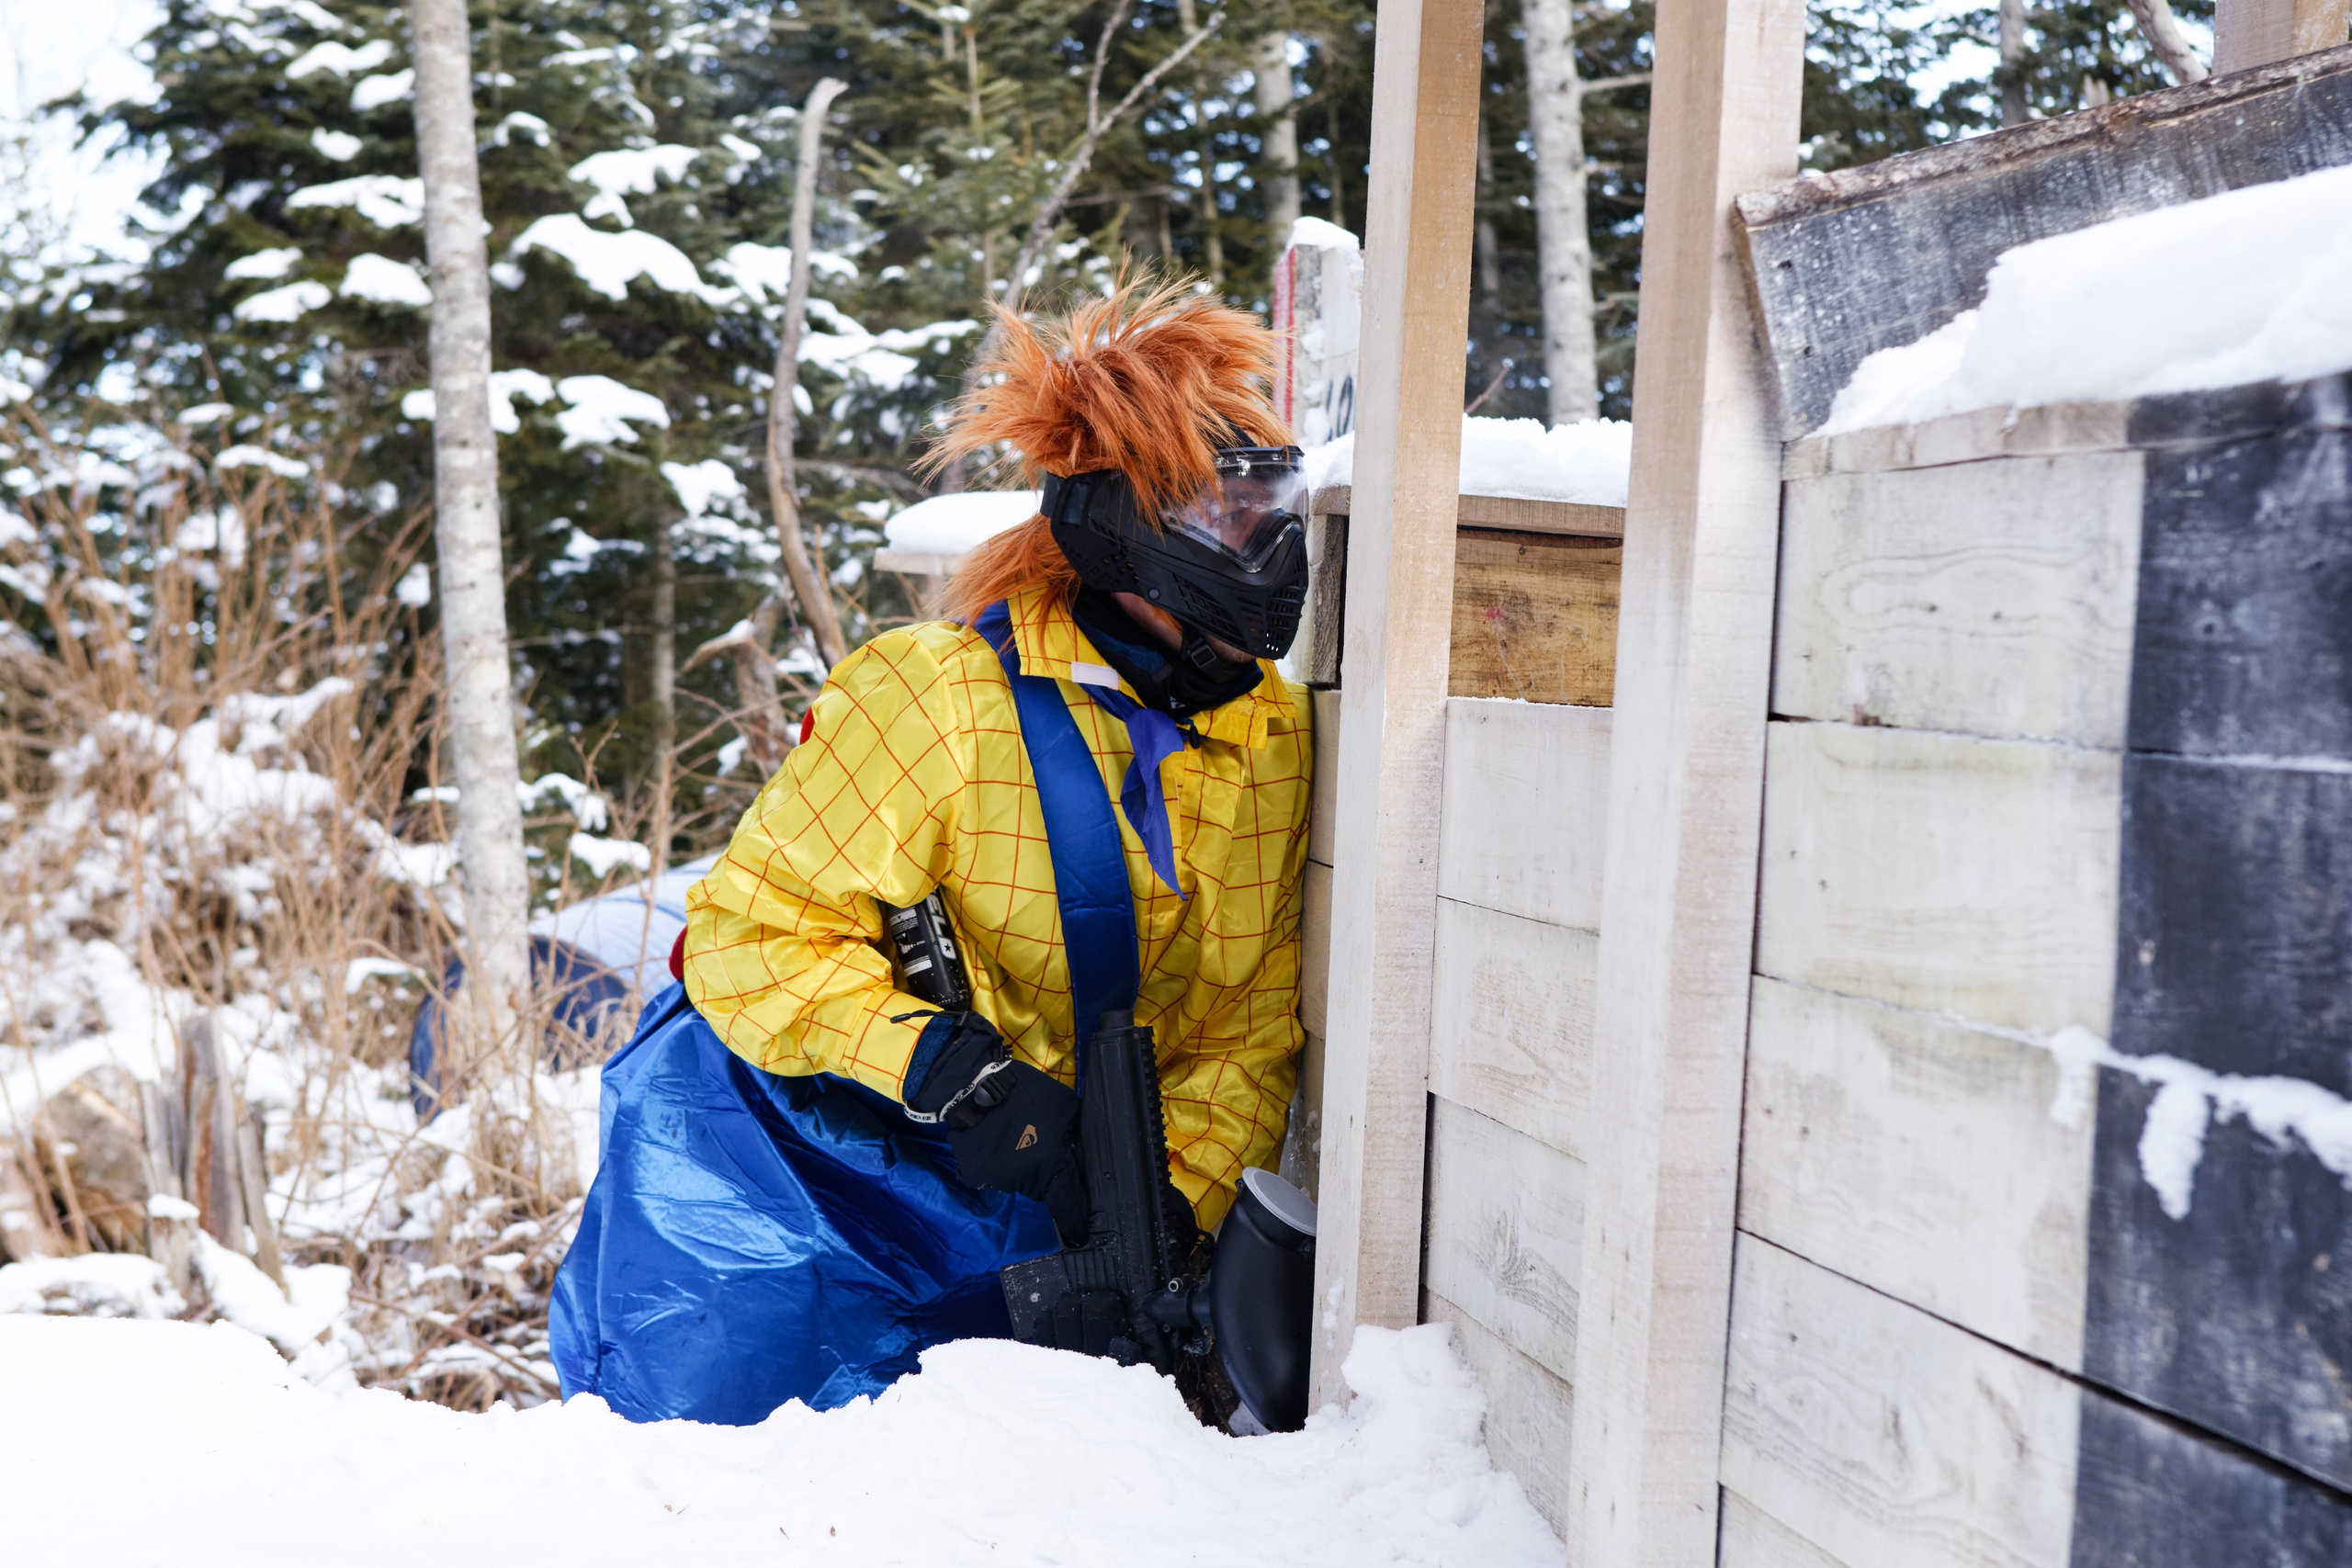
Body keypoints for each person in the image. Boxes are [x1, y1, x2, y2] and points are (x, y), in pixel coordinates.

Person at [548, 279, 1316, 1423]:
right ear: (1118, 530)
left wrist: (1161, 1213)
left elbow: (1245, 1030)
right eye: (1219, 515)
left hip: (1043, 1235)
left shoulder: (1271, 738)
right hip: (823, 1188)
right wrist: (943, 1070)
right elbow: (749, 938)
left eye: (1269, 510)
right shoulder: (940, 694)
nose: (1259, 544)